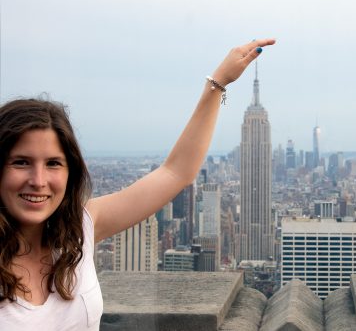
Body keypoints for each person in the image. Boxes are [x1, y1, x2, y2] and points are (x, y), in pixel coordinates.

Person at [0, 38, 276, 330]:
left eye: (53, 163)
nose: (38, 180)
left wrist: (218, 83)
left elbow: (175, 173)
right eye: (21, 162)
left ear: (71, 172)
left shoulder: (79, 229)